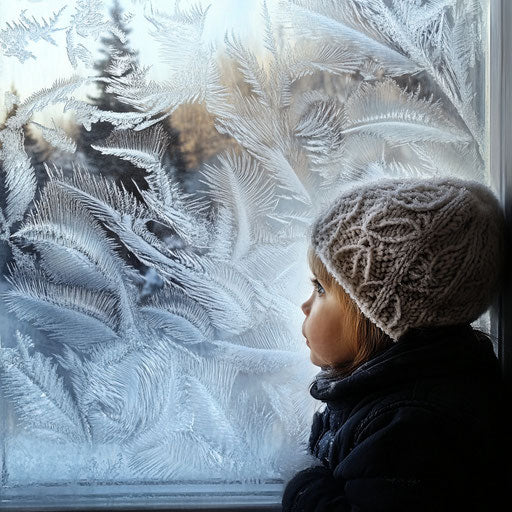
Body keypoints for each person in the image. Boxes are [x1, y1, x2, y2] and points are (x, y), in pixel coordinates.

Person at [282, 176, 512, 512]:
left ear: (376, 316)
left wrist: (305, 485)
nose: (305, 307)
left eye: (320, 289)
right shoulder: (387, 393)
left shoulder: (411, 428)